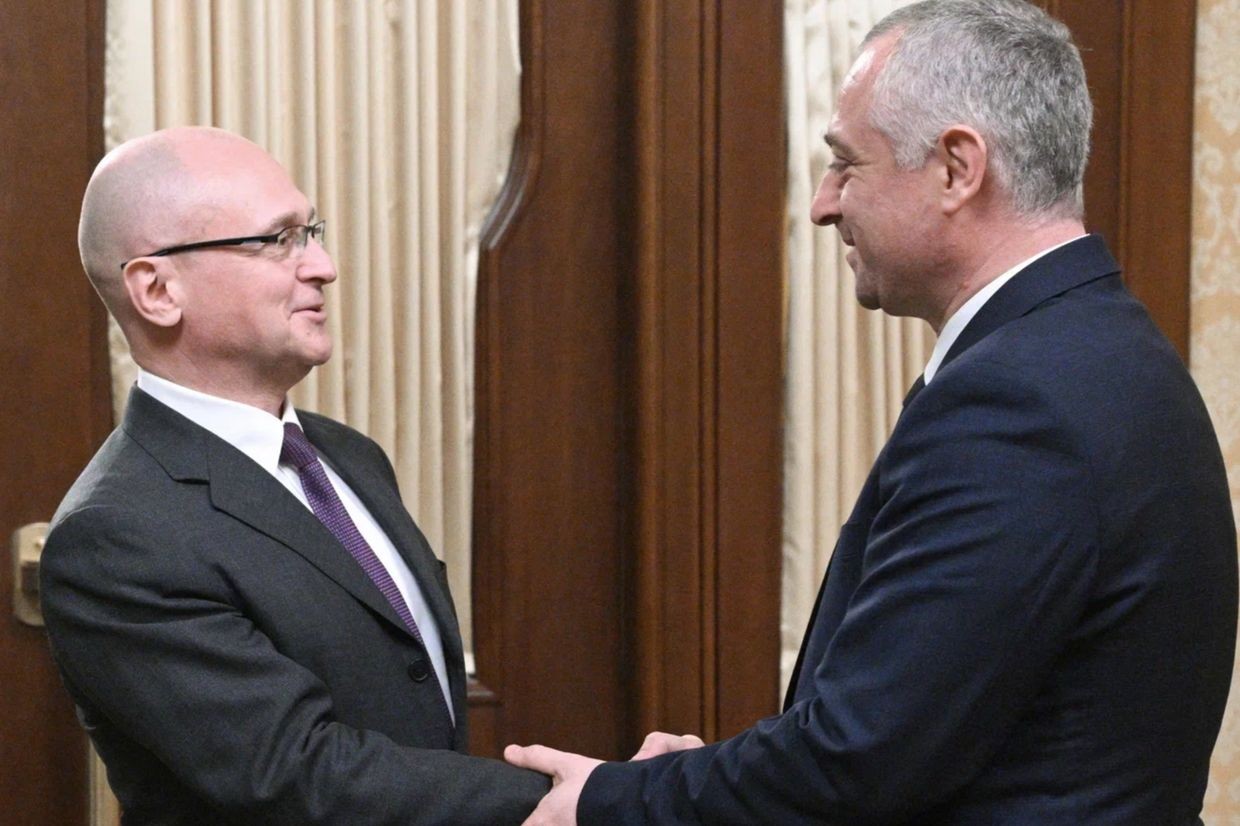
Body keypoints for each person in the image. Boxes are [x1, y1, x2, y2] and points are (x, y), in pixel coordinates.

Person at [504, 1, 1238, 822]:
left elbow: (855, 763)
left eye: (847, 165)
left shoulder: (1021, 402)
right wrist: (709, 778)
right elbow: (936, 729)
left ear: (958, 168)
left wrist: (614, 799)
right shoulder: (1096, 350)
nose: (823, 204)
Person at [40, 126, 547, 824]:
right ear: (157, 289)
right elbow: (296, 774)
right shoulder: (116, 535)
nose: (323, 266)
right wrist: (581, 803)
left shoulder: (348, 457)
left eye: (311, 231)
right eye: (278, 240)